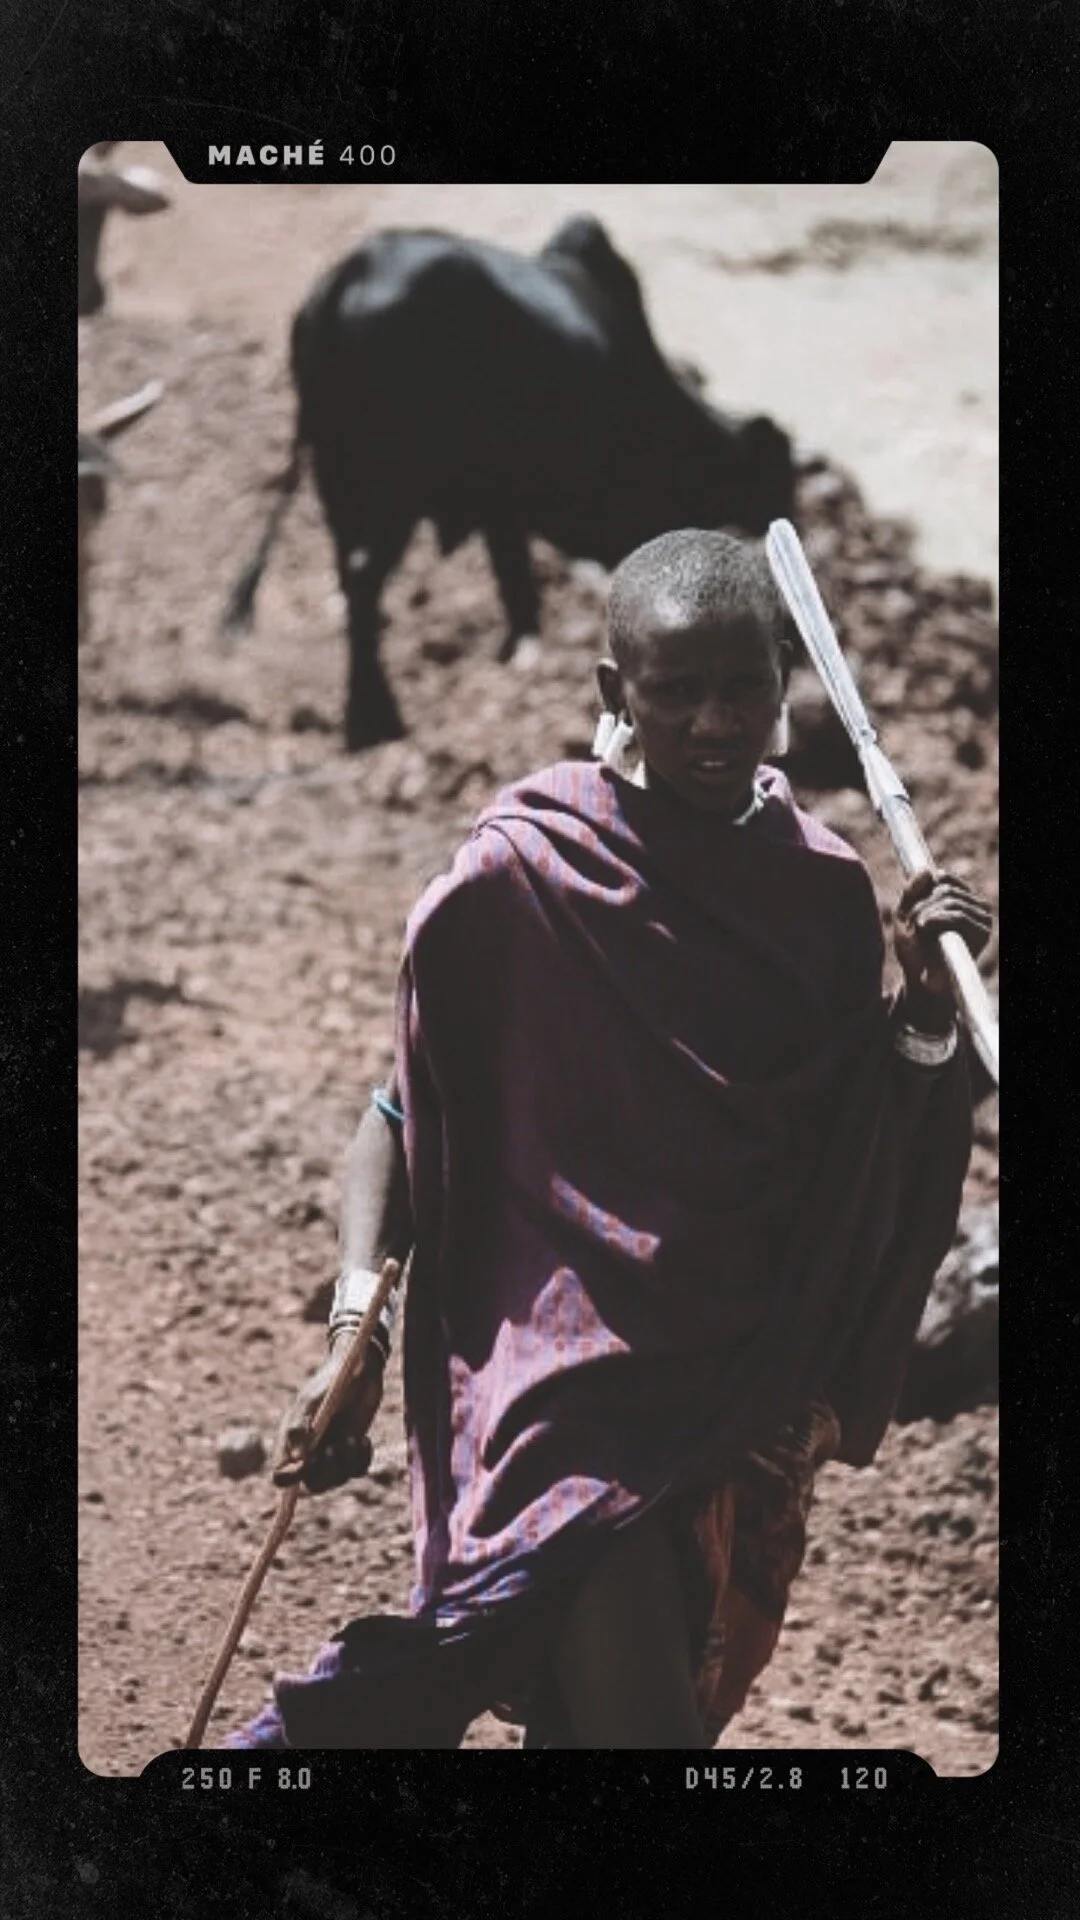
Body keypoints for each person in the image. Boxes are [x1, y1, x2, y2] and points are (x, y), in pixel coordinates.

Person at [222, 528, 994, 1750]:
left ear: (788, 678)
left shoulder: (822, 895)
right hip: (558, 1385)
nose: (712, 721)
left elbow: (857, 1158)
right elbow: (404, 1115)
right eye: (674, 689)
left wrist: (926, 1012)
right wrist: (354, 1329)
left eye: (743, 684)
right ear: (613, 693)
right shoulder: (525, 871)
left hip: (733, 1374)